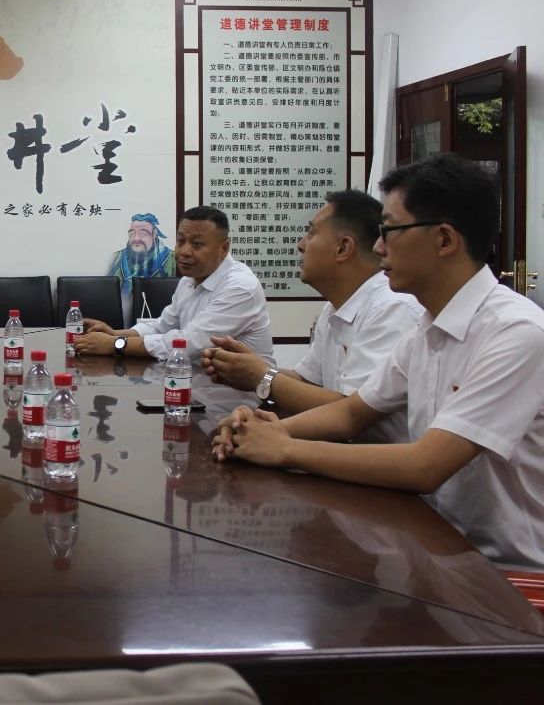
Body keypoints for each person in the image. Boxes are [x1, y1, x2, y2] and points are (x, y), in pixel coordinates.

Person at [213, 155, 544, 571]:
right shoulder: (428, 327)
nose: (379, 247)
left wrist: (285, 448)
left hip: (508, 571)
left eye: (390, 230)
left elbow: (426, 465)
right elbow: (352, 413)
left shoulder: (516, 333)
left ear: (444, 240)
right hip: (437, 544)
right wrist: (264, 429)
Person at [202, 190, 422, 442]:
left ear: (343, 248)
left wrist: (262, 376)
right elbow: (308, 381)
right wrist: (243, 368)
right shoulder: (336, 307)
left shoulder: (392, 308)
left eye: (311, 233)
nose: (301, 244)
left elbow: (351, 410)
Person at [75, 206, 273, 363]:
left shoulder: (240, 288)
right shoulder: (190, 279)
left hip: (240, 397)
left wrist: (115, 344)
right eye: (181, 241)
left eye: (197, 244)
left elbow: (187, 343)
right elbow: (163, 325)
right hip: (195, 386)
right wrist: (115, 334)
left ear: (224, 248)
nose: (184, 251)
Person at [107, 212, 176, 326]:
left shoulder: (173, 258)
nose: (136, 238)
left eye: (143, 233)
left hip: (162, 325)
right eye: (132, 233)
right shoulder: (116, 258)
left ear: (154, 234)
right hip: (119, 325)